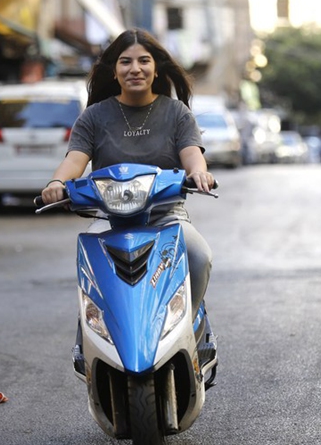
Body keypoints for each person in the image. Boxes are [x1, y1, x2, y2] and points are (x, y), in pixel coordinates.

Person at [40, 28, 215, 317]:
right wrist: (58, 182)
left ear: (156, 69)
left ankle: (186, 325)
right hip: (109, 218)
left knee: (199, 257)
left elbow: (193, 156)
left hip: (167, 217)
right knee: (91, 264)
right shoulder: (94, 117)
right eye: (125, 61)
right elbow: (74, 161)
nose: (135, 69)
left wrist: (199, 173)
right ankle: (94, 336)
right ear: (114, 71)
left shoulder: (177, 113)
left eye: (144, 61)